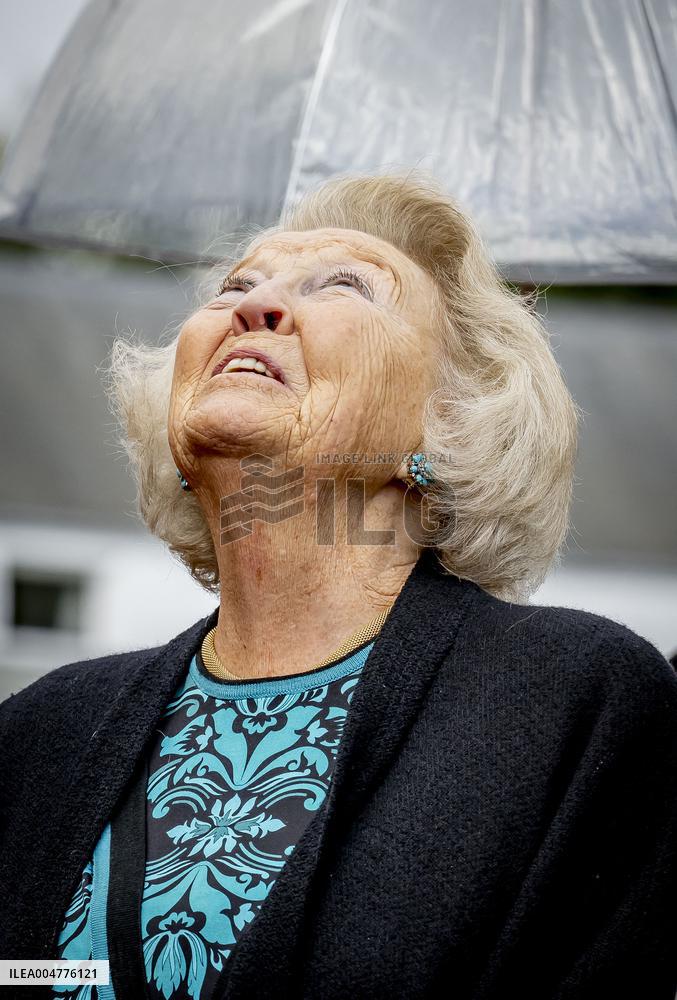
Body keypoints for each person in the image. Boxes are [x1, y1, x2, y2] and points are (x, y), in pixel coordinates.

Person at [1, 171, 675, 1000]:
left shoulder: (572, 703)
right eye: (237, 285)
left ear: (448, 422)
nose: (257, 306)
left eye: (343, 286)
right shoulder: (39, 732)